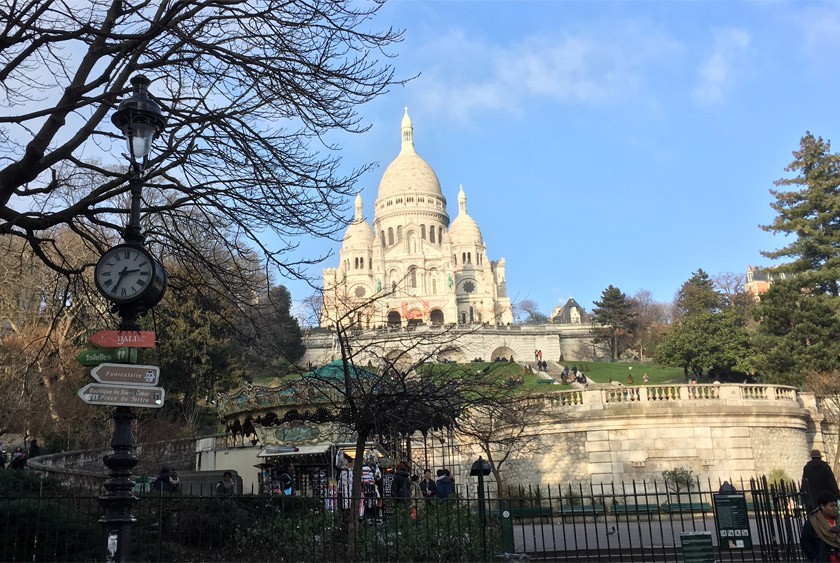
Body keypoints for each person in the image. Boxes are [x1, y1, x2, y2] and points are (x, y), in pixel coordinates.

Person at [801, 491, 840, 561]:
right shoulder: (813, 522)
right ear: (822, 506)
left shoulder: (838, 520)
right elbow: (806, 542)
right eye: (832, 506)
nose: (835, 508)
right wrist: (816, 558)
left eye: (836, 506)